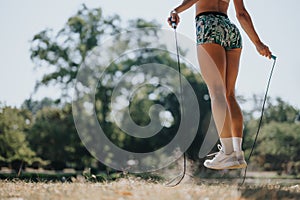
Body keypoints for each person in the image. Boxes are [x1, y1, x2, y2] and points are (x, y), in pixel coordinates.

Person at [168, 0, 272, 170]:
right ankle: (238, 153)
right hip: (230, 30)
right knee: (229, 94)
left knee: (217, 92)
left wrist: (176, 10)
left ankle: (227, 152)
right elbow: (241, 14)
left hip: (209, 25)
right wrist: (258, 43)